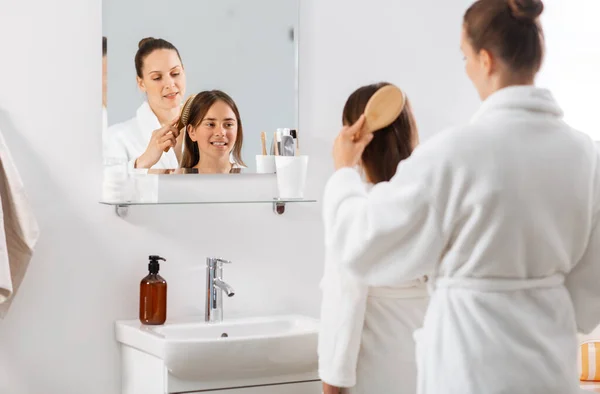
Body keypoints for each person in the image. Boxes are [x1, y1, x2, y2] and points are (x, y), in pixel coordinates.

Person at [323, 0, 600, 393]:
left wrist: (343, 174)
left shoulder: (454, 153)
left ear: (485, 60)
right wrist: (536, 303)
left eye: (465, 56)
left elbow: (360, 246)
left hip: (470, 364)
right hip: (549, 365)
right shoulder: (587, 155)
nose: (466, 68)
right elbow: (590, 293)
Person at [319, 83, 428, 394]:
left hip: (377, 372)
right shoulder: (427, 200)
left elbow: (345, 301)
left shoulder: (358, 209)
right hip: (430, 369)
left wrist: (332, 384)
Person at [106, 37, 186, 170]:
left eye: (175, 73)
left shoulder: (209, 130)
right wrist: (144, 160)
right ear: (141, 83)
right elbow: (107, 186)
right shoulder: (116, 137)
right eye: (157, 78)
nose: (170, 84)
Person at [177, 90, 245, 173]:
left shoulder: (252, 181)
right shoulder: (179, 182)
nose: (221, 132)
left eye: (228, 124)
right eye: (210, 124)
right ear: (192, 131)